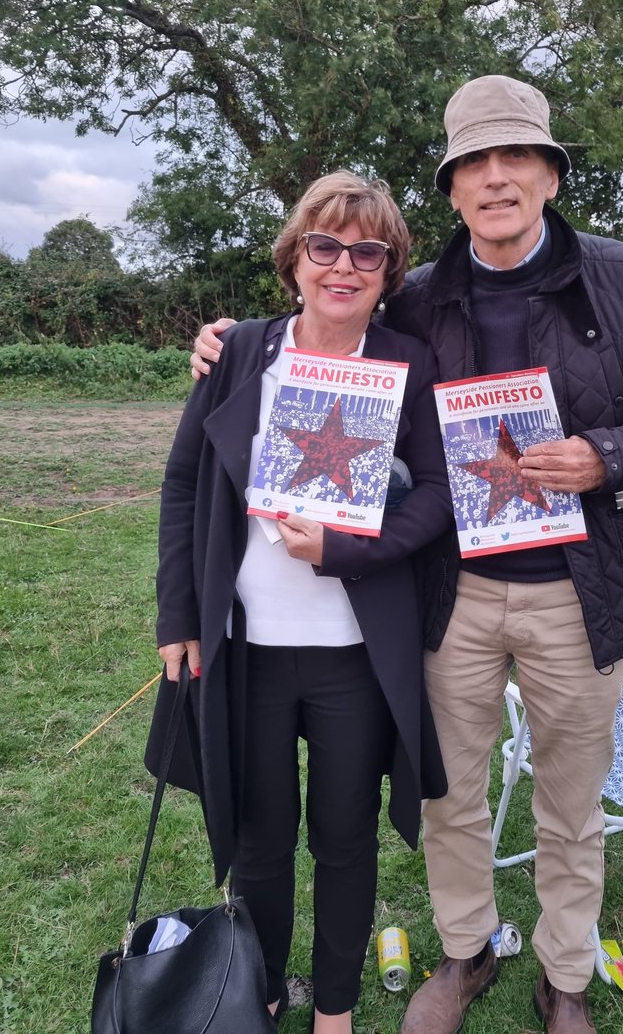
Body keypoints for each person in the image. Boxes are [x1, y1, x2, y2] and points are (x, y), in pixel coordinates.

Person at [191, 76, 623, 1034]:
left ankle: (565, 975)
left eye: (515, 156)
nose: (495, 178)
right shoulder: (423, 295)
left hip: (583, 589)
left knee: (571, 800)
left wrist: (609, 455)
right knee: (451, 791)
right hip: (453, 591)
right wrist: (234, 343)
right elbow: (329, 326)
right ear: (450, 188)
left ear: (550, 174)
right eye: (474, 162)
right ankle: (466, 951)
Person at [149, 171, 453, 1034]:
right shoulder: (241, 351)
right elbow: (181, 485)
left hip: (354, 651)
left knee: (346, 838)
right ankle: (268, 987)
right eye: (326, 246)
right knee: (260, 839)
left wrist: (355, 547)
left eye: (369, 251)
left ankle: (338, 1006)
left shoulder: (406, 362)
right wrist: (178, 616)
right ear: (296, 259)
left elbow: (435, 493)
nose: (344, 266)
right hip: (245, 647)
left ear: (390, 271)